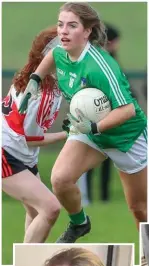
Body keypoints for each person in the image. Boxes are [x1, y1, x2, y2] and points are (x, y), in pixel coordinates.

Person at [19, 2, 147, 244]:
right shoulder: (60, 51)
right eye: (60, 25)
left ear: (87, 31)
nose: (63, 31)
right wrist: (35, 80)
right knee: (60, 179)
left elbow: (128, 110)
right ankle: (80, 223)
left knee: (140, 209)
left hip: (126, 137)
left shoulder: (100, 65)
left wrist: (95, 128)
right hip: (89, 131)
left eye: (72, 25)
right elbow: (50, 58)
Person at [2, 26, 68, 243]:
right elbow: (29, 139)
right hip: (7, 152)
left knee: (36, 212)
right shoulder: (40, 93)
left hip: (20, 153)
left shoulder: (41, 78)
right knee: (50, 208)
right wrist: (66, 134)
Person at [80, 23, 121, 203]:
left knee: (105, 159)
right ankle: (88, 198)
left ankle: (103, 198)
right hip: (94, 117)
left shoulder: (111, 60)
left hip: (109, 120)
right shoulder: (97, 62)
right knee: (89, 159)